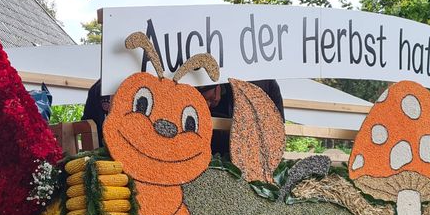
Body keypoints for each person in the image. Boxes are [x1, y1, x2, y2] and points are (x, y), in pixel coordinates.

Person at [82, 79, 285, 156]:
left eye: (214, 91)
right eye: (202, 93)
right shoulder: (101, 89)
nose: (211, 100)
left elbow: (277, 133)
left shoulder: (265, 85)